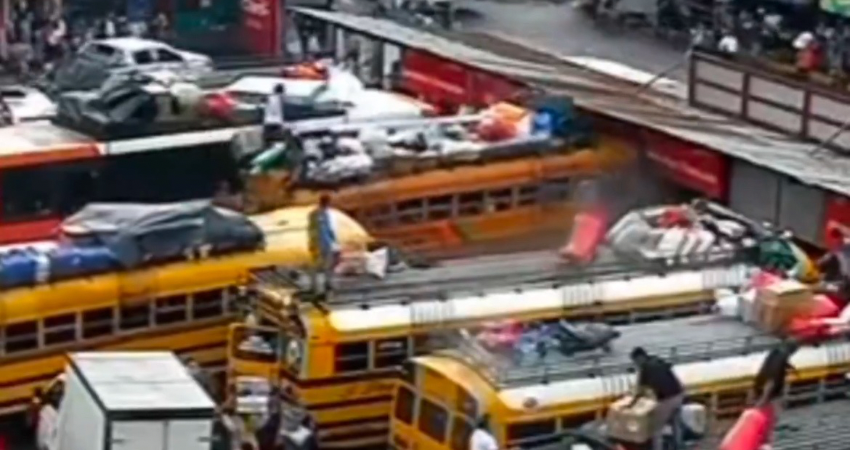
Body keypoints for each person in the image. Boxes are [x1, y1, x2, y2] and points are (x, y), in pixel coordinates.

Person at [629, 347, 685, 450]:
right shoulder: (658, 360)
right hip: (679, 394)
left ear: (640, 358)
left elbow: (640, 390)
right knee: (676, 424)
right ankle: (679, 446)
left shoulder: (645, 368)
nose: (636, 365)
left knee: (656, 429)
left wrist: (631, 404)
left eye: (635, 361)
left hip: (667, 399)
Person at [754, 340, 799, 410]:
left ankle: (756, 402)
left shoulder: (776, 351)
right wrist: (764, 399)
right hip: (772, 387)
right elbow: (773, 377)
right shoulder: (784, 355)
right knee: (770, 387)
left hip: (763, 374)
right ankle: (761, 403)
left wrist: (790, 367)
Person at [307, 194, 338, 295]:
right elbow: (311, 230)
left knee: (328, 265)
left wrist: (334, 239)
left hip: (326, 243)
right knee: (315, 265)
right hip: (317, 243)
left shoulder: (326, 214)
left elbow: (329, 228)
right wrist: (312, 243)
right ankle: (314, 287)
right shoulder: (314, 214)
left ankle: (327, 284)